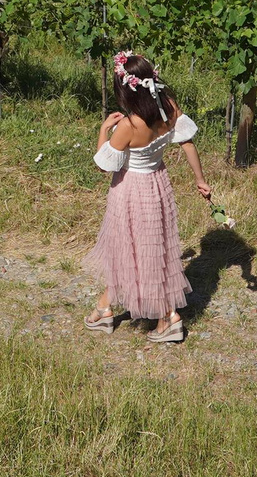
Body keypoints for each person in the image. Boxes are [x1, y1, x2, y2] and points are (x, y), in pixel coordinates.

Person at [87, 50, 213, 343]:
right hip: (158, 183)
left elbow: (105, 165)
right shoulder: (169, 108)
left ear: (126, 90)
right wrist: (200, 180)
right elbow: (187, 143)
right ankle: (105, 307)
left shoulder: (129, 126)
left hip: (130, 190)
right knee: (150, 249)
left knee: (133, 251)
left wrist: (104, 129)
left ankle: (167, 316)